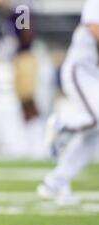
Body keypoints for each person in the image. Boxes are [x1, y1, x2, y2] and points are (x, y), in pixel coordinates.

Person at [37, 0, 99, 205]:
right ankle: (62, 124)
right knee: (95, 118)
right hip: (80, 70)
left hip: (93, 73)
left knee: (93, 138)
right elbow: (95, 28)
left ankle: (55, 182)